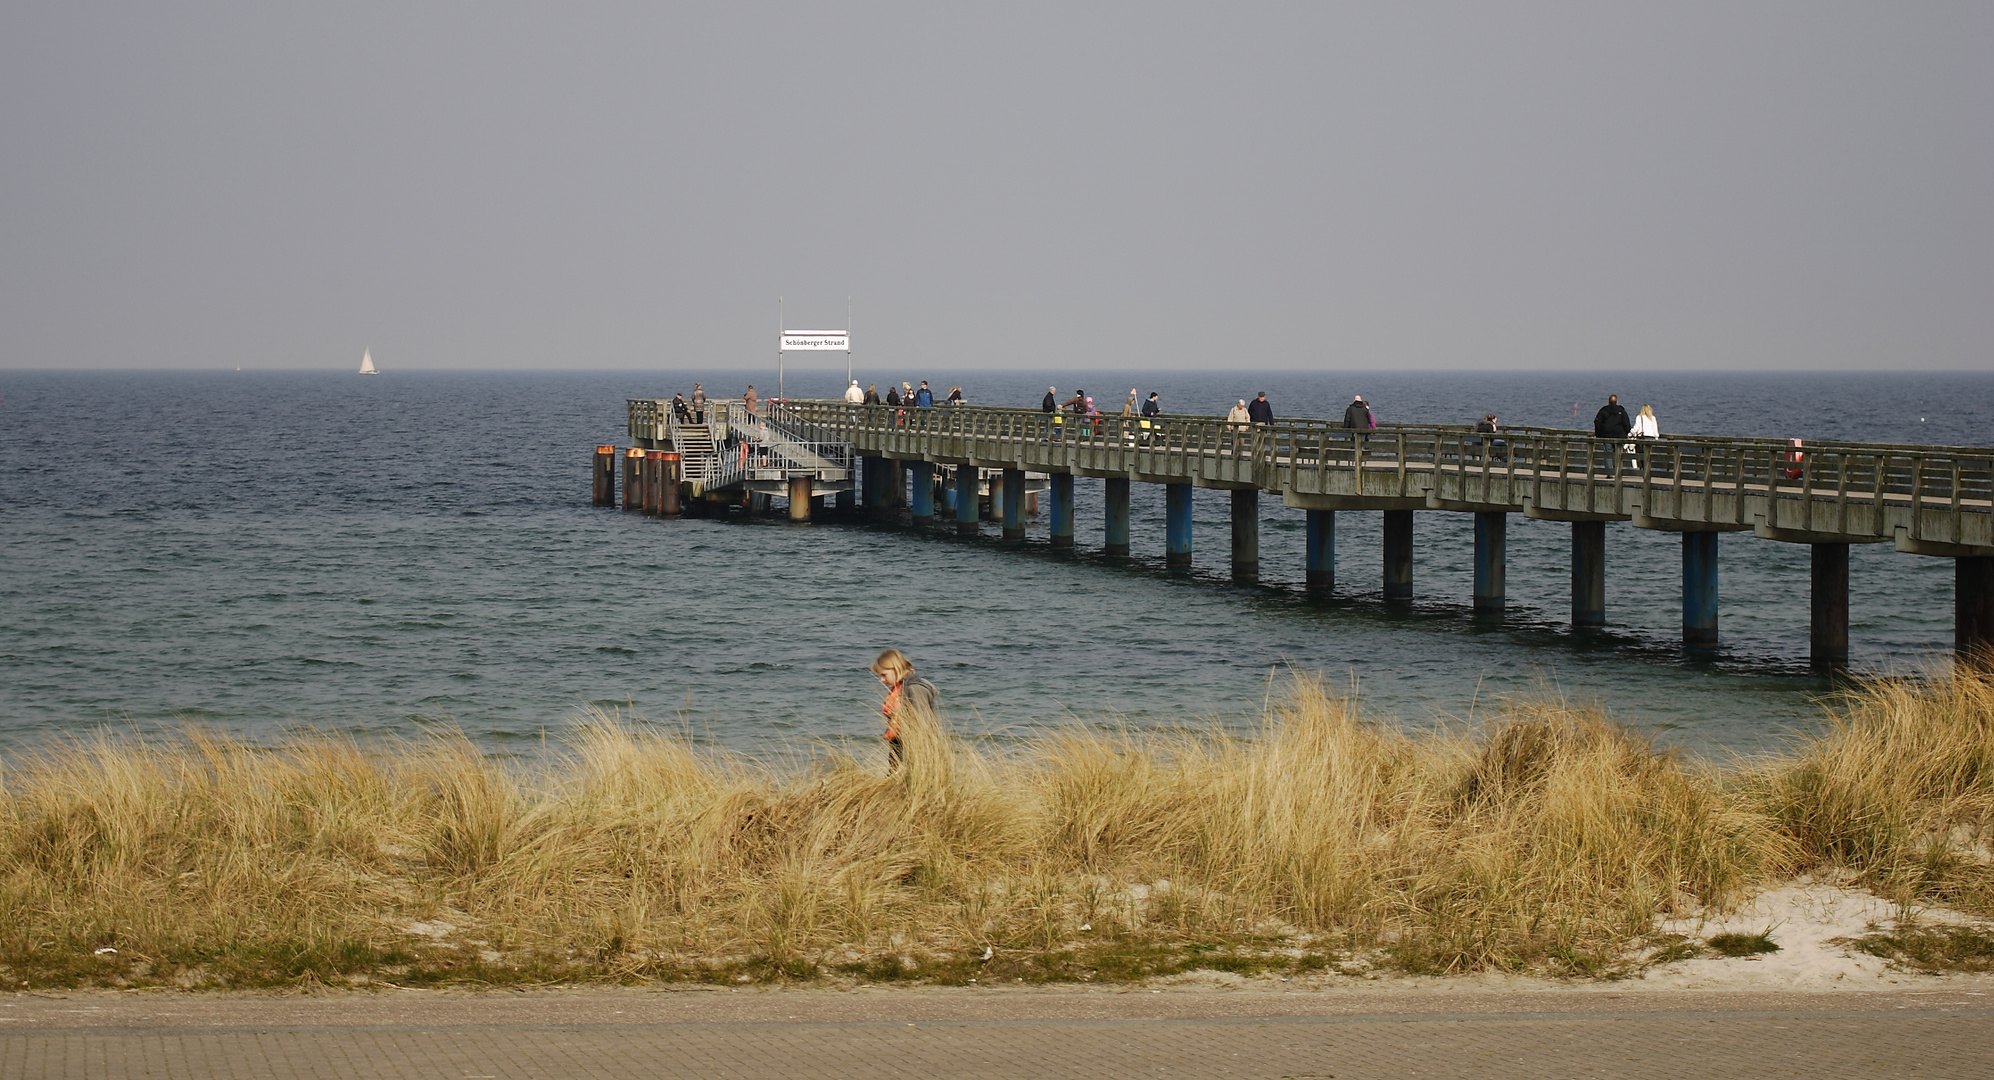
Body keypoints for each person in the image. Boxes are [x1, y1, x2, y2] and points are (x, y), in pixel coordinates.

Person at [871, 648, 936, 773]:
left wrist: (910, 761)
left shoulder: (915, 689)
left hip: (915, 755)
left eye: (884, 675)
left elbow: (924, 725)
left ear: (896, 668)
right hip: (900, 750)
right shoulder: (899, 690)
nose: (882, 680)